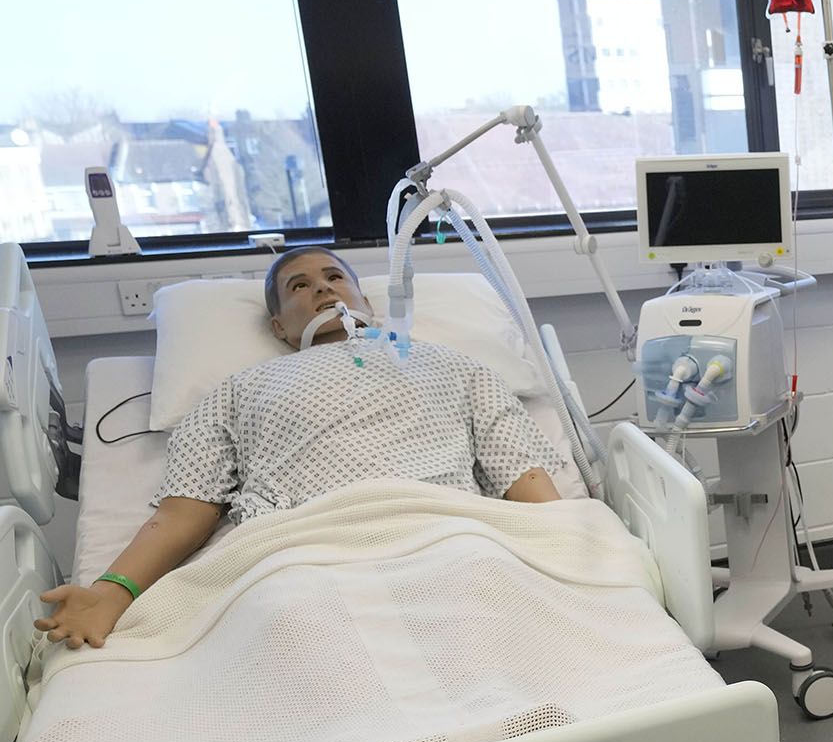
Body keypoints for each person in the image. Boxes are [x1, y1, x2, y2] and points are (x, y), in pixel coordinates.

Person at [35, 247, 564, 650]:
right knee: (295, 632)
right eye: (299, 286)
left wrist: (571, 554)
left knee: (502, 621)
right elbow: (184, 510)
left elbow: (521, 475)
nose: (323, 290)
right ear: (279, 326)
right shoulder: (238, 391)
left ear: (367, 303)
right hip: (299, 554)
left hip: (447, 535)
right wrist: (111, 592)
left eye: (335, 278)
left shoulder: (455, 366)